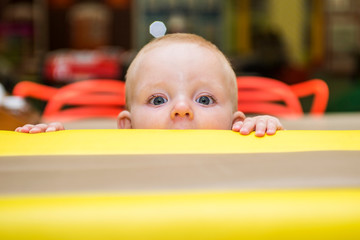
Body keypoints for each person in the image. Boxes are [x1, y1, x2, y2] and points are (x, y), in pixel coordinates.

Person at [15, 33, 283, 137]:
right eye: (157, 100)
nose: (181, 108)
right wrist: (55, 145)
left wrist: (263, 135)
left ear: (235, 122)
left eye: (204, 99)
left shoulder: (242, 144)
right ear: (127, 127)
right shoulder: (119, 157)